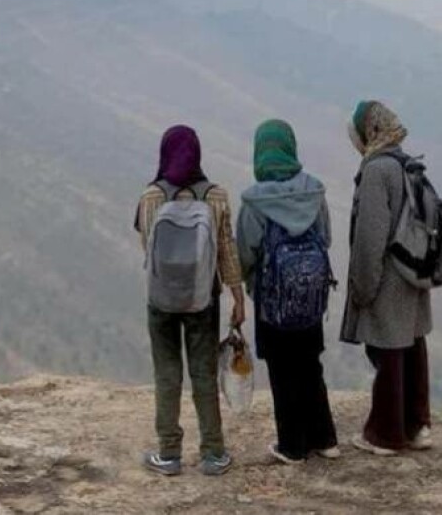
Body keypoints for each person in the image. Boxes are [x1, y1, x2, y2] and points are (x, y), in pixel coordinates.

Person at [135, 125, 246, 477]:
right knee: (203, 374)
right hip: (203, 299)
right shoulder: (216, 196)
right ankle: (213, 453)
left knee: (167, 375)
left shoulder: (151, 196)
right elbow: (226, 250)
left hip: (161, 301)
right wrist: (238, 297)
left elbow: (147, 247)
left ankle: (169, 454)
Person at [237, 119, 340, 465]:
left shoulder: (254, 203)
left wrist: (254, 284)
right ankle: (325, 439)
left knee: (282, 370)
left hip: (272, 300)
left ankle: (293, 446)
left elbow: (245, 253)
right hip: (310, 298)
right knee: (310, 363)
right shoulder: (314, 193)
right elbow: (325, 238)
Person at [341, 101, 434, 456]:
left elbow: (370, 237)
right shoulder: (407, 163)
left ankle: (386, 434)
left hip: (388, 278)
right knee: (413, 345)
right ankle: (418, 426)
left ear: (368, 133)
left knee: (389, 350)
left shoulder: (376, 171)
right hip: (414, 272)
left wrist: (363, 286)